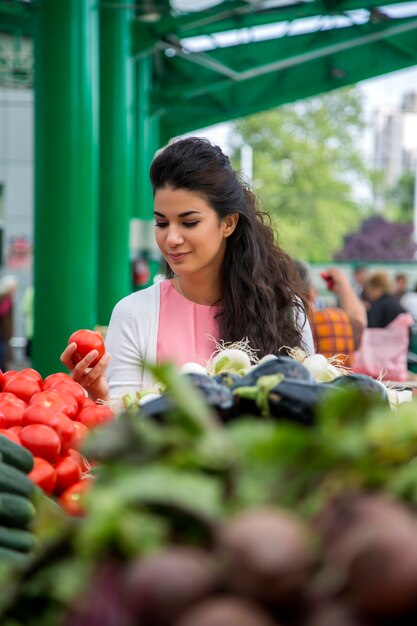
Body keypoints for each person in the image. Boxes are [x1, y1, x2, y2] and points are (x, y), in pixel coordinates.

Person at [61, 137, 314, 403]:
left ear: (228, 223)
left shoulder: (285, 309)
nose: (171, 239)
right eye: (161, 223)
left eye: (189, 222)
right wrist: (99, 395)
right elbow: (124, 424)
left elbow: (308, 405)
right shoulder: (133, 314)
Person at [296, 263, 367, 367]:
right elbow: (359, 320)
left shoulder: (271, 325)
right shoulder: (325, 322)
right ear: (309, 294)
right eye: (313, 288)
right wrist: (342, 282)